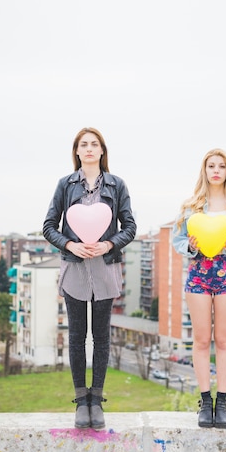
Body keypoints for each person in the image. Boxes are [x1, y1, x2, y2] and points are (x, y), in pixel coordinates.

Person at [43, 127, 136, 429]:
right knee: (76, 337)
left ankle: (97, 400)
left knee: (101, 338)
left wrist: (109, 244)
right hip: (74, 270)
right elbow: (49, 226)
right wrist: (71, 244)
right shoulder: (65, 185)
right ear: (77, 151)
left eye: (94, 144)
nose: (89, 149)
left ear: (102, 150)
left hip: (106, 270)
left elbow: (130, 226)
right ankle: (80, 401)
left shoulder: (117, 185)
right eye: (84, 144)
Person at [172, 149, 226, 429]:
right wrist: (191, 246)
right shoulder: (191, 206)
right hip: (198, 276)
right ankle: (204, 401)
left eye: (221, 166)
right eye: (211, 166)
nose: (216, 170)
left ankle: (222, 403)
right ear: (204, 170)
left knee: (222, 340)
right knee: (200, 340)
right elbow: (177, 240)